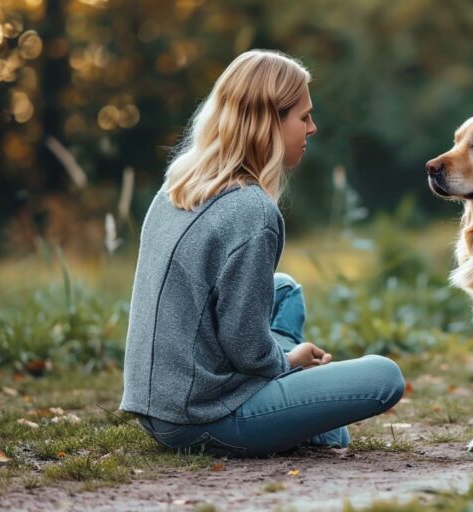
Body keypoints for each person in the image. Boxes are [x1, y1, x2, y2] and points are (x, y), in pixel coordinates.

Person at [119, 49, 405, 457]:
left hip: (159, 401)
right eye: (304, 117)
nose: (312, 128)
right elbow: (246, 348)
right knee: (384, 377)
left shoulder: (178, 182)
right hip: (201, 416)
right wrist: (290, 362)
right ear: (269, 122)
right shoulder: (252, 211)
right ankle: (297, 414)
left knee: (284, 289)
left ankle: (294, 409)